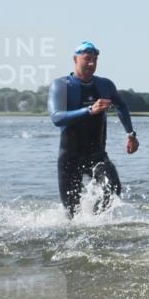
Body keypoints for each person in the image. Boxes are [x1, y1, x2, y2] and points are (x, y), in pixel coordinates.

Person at [48, 41, 139, 217]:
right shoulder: (61, 85)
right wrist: (89, 110)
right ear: (75, 60)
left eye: (95, 60)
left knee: (113, 188)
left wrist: (130, 134)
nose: (91, 64)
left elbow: (121, 106)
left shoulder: (105, 85)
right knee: (71, 215)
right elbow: (56, 117)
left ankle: (97, 222)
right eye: (87, 59)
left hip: (96, 154)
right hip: (69, 158)